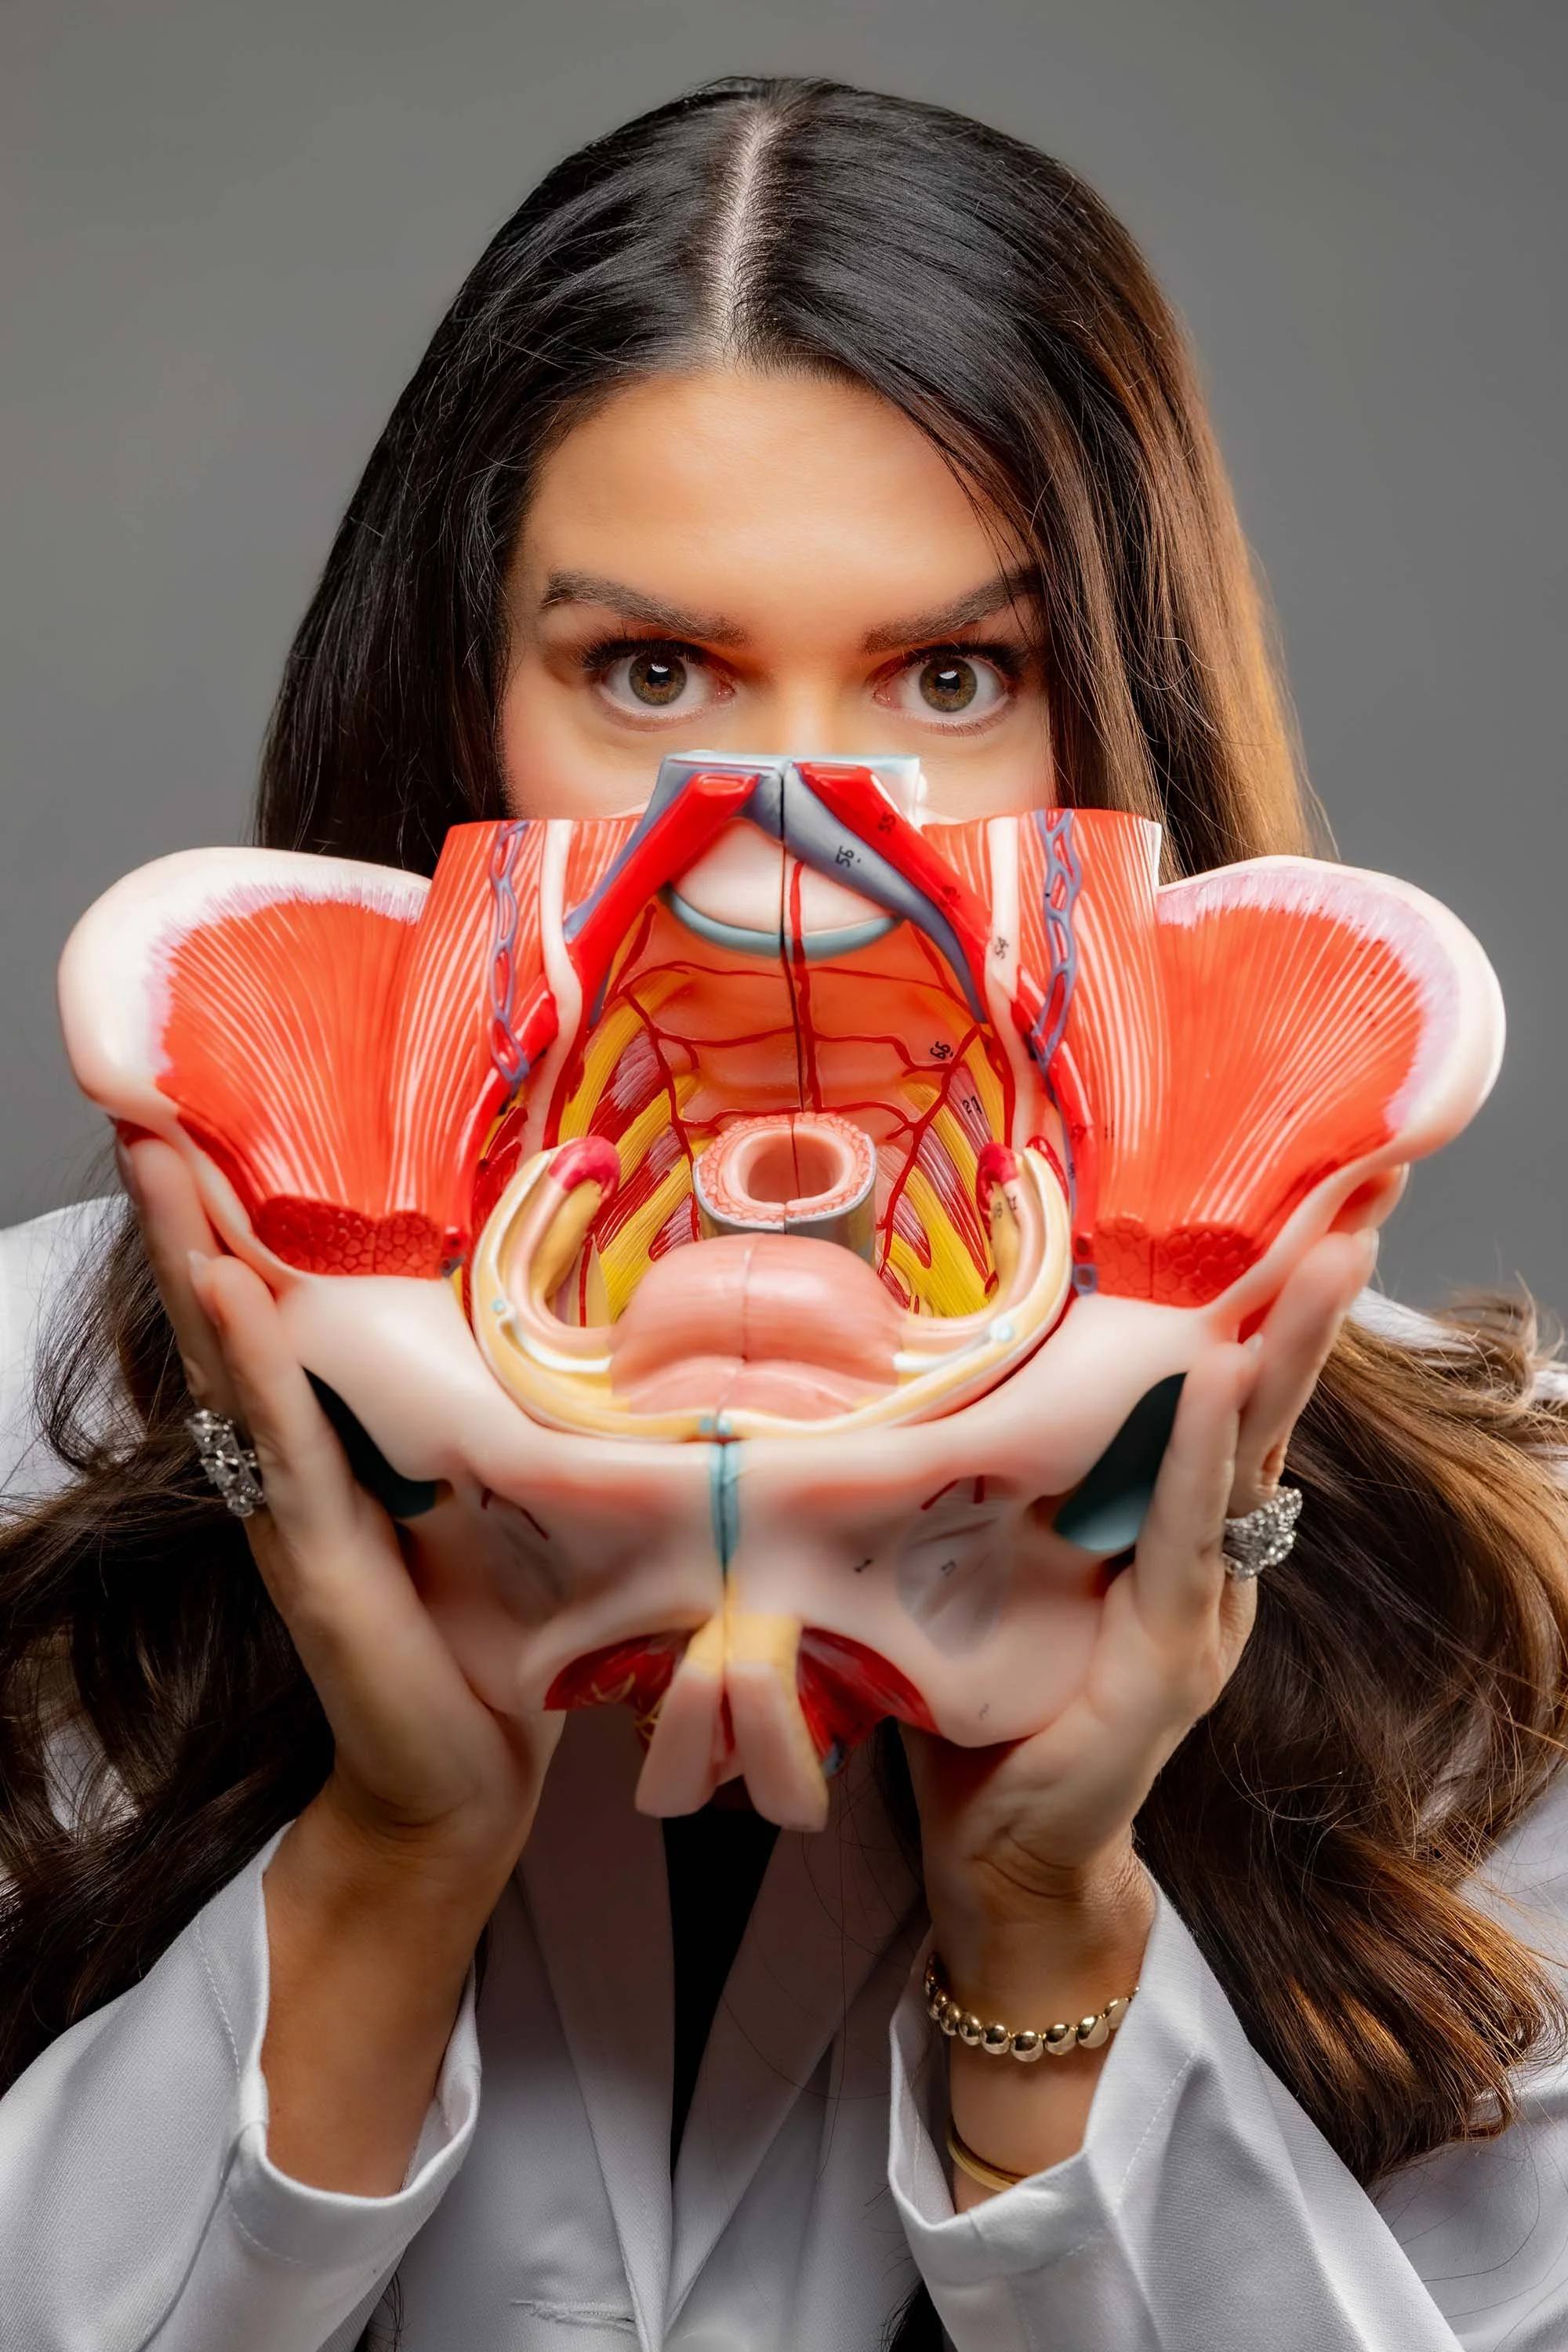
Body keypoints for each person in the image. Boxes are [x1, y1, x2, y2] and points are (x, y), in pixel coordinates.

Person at [2, 74, 1566, 2352]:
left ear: (1115, 732)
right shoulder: (32, 1440)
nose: (793, 869)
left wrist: (1048, 1922)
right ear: (455, 722)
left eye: (956, 679)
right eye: (651, 673)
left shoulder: (1495, 1588)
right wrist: (385, 1858)